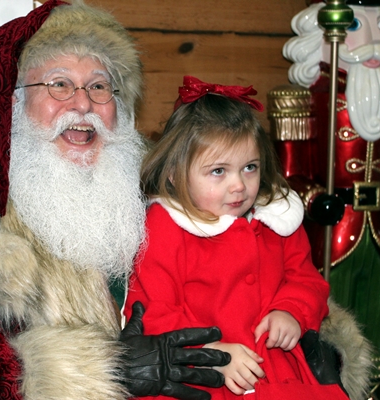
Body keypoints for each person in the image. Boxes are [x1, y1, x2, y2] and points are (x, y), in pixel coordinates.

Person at [0, 2, 231, 399]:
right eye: (58, 84)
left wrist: (303, 327)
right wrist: (104, 369)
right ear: (11, 105)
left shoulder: (166, 192)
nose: (82, 105)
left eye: (99, 86)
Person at [124, 76, 350, 399]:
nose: (239, 186)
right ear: (174, 173)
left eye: (250, 168)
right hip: (200, 376)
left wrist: (291, 312)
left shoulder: (277, 219)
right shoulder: (166, 225)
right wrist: (212, 353)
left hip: (275, 371)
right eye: (219, 171)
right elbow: (153, 308)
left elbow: (307, 280)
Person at [273, 0, 380, 396]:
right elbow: (290, 175)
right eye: (356, 25)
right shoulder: (305, 100)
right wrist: (314, 197)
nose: (372, 41)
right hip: (328, 235)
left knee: (377, 325)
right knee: (329, 327)